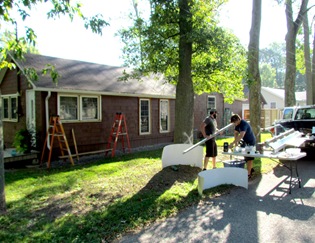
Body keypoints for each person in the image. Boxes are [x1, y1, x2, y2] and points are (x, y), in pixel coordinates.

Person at [229, 114, 256, 179]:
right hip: (245, 142)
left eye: (235, 122)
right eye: (233, 123)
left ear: (238, 119)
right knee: (246, 157)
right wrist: (236, 143)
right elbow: (236, 133)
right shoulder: (237, 125)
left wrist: (232, 143)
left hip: (251, 142)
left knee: (249, 158)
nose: (234, 124)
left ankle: (248, 174)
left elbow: (241, 135)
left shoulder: (244, 124)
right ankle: (251, 169)